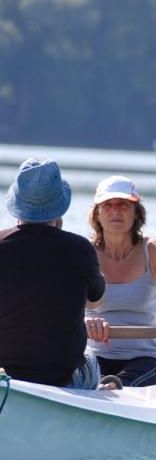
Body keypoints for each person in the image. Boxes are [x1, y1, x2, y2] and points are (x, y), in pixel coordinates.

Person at [0, 158, 105, 388]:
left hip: (5, 375)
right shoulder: (80, 249)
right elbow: (96, 302)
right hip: (63, 376)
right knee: (91, 358)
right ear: (59, 210)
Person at [85, 175, 156, 387]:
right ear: (97, 214)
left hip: (144, 358)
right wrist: (85, 320)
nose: (116, 210)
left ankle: (111, 390)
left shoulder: (154, 250)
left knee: (114, 386)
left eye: (124, 205)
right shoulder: (85, 252)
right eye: (108, 205)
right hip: (93, 356)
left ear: (136, 214)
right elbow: (65, 303)